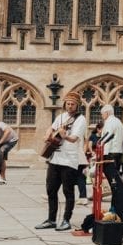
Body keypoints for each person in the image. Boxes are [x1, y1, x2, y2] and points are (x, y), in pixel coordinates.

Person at [35, 91, 87, 232]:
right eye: (68, 104)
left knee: (67, 191)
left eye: (72, 104)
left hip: (69, 160)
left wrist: (65, 136)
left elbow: (74, 138)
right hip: (55, 158)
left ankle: (66, 220)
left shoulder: (80, 119)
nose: (70, 106)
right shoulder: (61, 116)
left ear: (77, 105)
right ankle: (51, 220)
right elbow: (51, 128)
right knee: (51, 190)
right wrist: (47, 134)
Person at [97, 105, 123, 192]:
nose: (102, 116)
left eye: (102, 114)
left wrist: (103, 154)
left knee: (112, 177)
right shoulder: (118, 122)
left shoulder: (109, 122)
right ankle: (117, 194)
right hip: (118, 151)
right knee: (115, 175)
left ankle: (117, 194)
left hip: (110, 152)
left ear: (107, 113)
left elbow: (107, 137)